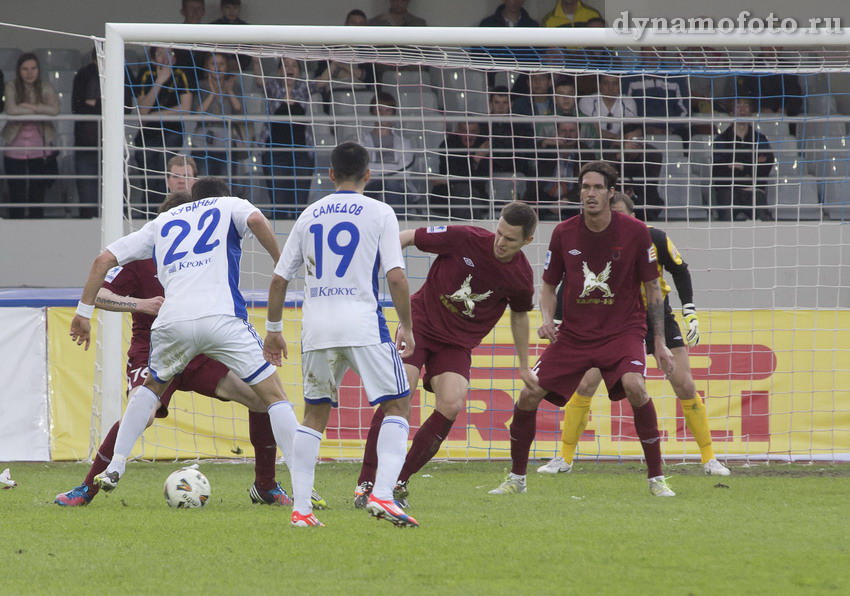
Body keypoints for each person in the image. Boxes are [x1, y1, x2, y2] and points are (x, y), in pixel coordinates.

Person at [55, 188, 326, 509]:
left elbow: (100, 263)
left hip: (196, 349)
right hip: (153, 346)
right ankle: (88, 487)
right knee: (148, 413)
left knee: (257, 399)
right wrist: (140, 303)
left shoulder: (191, 245)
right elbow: (100, 292)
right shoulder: (145, 253)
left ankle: (265, 485)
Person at [489, 161, 678, 498]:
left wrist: (659, 342)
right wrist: (547, 318)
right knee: (529, 393)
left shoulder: (636, 232)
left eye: (597, 188)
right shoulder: (564, 232)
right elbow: (548, 286)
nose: (590, 194)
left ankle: (656, 478)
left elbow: (653, 289)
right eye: (585, 187)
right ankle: (516, 478)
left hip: (622, 333)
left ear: (611, 192)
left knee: (636, 386)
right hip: (574, 336)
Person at [263, 141, 418, 528]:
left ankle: (301, 510)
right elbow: (396, 276)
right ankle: (382, 494)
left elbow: (279, 279)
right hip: (363, 324)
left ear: (330, 174)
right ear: (368, 174)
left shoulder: (309, 213)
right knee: (397, 406)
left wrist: (274, 331)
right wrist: (408, 325)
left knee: (314, 415)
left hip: (317, 327)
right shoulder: (380, 212)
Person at [355, 201, 538, 509]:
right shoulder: (463, 237)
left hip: (456, 344)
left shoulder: (520, 278)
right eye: (499, 233)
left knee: (453, 403)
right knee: (399, 396)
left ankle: (399, 480)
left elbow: (519, 316)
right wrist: (376, 264)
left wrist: (523, 366)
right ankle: (366, 482)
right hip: (419, 325)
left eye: (510, 239)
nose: (500, 242)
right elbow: (409, 235)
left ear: (527, 242)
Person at [537, 193, 731, 478]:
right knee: (586, 385)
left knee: (684, 384)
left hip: (656, 316)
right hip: (614, 321)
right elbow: (574, 279)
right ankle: (565, 457)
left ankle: (709, 457)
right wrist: (556, 317)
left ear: (633, 217)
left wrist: (689, 309)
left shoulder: (652, 237)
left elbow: (680, 269)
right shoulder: (593, 240)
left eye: (621, 215)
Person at [2, 52, 60, 219]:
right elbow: (11, 109)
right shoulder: (11, 86)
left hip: (40, 150)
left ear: (38, 70)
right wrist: (41, 108)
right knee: (16, 195)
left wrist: (32, 107)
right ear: (19, 71)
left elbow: (54, 110)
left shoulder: (46, 86)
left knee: (37, 194)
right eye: (25, 69)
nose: (29, 73)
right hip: (15, 148)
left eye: (33, 68)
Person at [132, 46, 192, 204]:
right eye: (160, 54)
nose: (165, 58)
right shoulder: (145, 74)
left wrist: (154, 115)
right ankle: (150, 207)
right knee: (146, 166)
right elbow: (143, 111)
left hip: (172, 131)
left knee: (164, 164)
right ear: (153, 58)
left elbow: (185, 108)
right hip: (148, 134)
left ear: (175, 58)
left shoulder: (181, 75)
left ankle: (164, 205)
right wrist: (159, 82)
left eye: (169, 54)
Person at [711, 97, 776, 222]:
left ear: (751, 111)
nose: (742, 110)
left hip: (754, 191)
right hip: (728, 191)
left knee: (764, 220)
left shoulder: (760, 139)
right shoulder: (721, 140)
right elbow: (719, 171)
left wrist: (741, 166)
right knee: (726, 218)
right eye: (738, 106)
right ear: (731, 112)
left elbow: (765, 169)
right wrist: (752, 166)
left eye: (746, 106)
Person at [360, 91, 420, 217]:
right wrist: (392, 169)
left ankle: (397, 224)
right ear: (372, 112)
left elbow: (405, 172)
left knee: (391, 184)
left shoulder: (404, 142)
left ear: (393, 114)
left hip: (399, 187)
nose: (383, 114)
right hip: (370, 186)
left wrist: (376, 170)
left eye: (388, 111)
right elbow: (363, 170)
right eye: (379, 110)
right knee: (386, 183)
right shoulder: (361, 141)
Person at [192, 52, 246, 177]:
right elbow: (197, 112)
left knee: (225, 184)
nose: (217, 68)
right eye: (213, 64)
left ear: (226, 67)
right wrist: (212, 93)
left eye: (221, 64)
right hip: (202, 142)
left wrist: (229, 90)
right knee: (203, 181)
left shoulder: (234, 86)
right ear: (207, 67)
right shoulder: (201, 86)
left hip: (226, 142)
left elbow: (239, 110)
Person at [430, 121, 490, 219]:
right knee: (463, 191)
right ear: (458, 131)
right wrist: (475, 160)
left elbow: (481, 180)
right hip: (447, 194)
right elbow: (451, 171)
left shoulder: (483, 146)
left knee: (466, 192)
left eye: (473, 131)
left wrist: (447, 180)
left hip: (477, 194)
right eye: (464, 131)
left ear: (478, 132)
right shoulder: (449, 145)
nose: (469, 135)